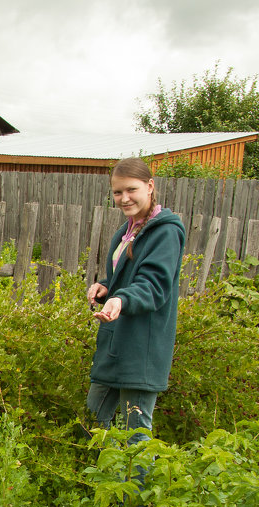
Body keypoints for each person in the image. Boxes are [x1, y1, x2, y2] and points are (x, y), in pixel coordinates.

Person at [85, 157, 185, 448]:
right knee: (92, 423)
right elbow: (127, 277)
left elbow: (153, 286)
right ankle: (103, 488)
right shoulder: (127, 231)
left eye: (131, 189)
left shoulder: (165, 232)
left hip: (142, 346)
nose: (123, 198)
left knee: (135, 436)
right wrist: (106, 286)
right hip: (116, 343)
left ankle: (134, 494)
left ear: (150, 186)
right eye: (117, 192)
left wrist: (122, 298)